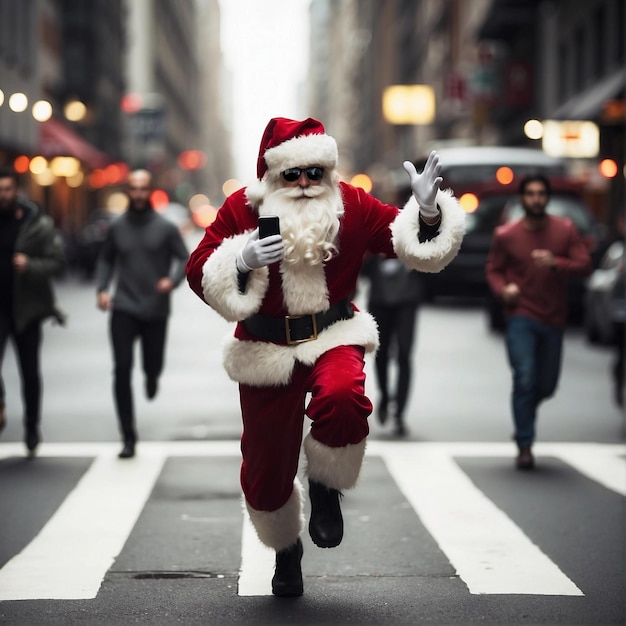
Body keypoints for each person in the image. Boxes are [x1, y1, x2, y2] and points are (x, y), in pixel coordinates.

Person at [186, 117, 465, 596]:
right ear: (272, 175)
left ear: (328, 170)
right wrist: (242, 259)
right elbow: (198, 270)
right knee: (265, 468)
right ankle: (285, 550)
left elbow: (402, 241)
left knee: (343, 399)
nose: (304, 183)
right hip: (265, 348)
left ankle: (325, 485)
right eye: (292, 174)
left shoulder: (351, 203)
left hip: (333, 333)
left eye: (315, 172)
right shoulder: (242, 208)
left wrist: (429, 212)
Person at [485, 174, 592, 470]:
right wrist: (503, 289)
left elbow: (585, 265)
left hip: (554, 318)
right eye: (530, 194)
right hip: (521, 315)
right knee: (524, 377)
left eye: (541, 194)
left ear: (547, 198)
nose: (536, 199)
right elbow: (494, 269)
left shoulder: (565, 229)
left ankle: (524, 414)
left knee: (545, 386)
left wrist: (559, 263)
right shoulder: (506, 234)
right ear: (522, 199)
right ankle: (525, 444)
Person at [96, 169, 189, 459]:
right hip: (123, 306)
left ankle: (151, 376)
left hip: (155, 308)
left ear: (150, 191)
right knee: (121, 369)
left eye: (143, 188)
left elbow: (184, 258)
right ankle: (128, 436)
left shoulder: (165, 227)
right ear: (127, 191)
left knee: (152, 365)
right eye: (133, 188)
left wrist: (171, 282)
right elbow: (106, 259)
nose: (138, 194)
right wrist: (102, 288)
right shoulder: (117, 226)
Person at [0, 167, 65, 456]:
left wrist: (30, 265)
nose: (3, 196)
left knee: (29, 372)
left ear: (17, 191)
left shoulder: (36, 224)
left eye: (7, 190)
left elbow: (57, 262)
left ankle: (31, 425)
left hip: (27, 309)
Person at [361, 253, 426, 437]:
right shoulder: (375, 231)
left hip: (407, 299)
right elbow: (362, 268)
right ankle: (385, 395)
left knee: (404, 354)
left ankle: (399, 413)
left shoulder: (413, 229)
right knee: (381, 353)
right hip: (379, 299)